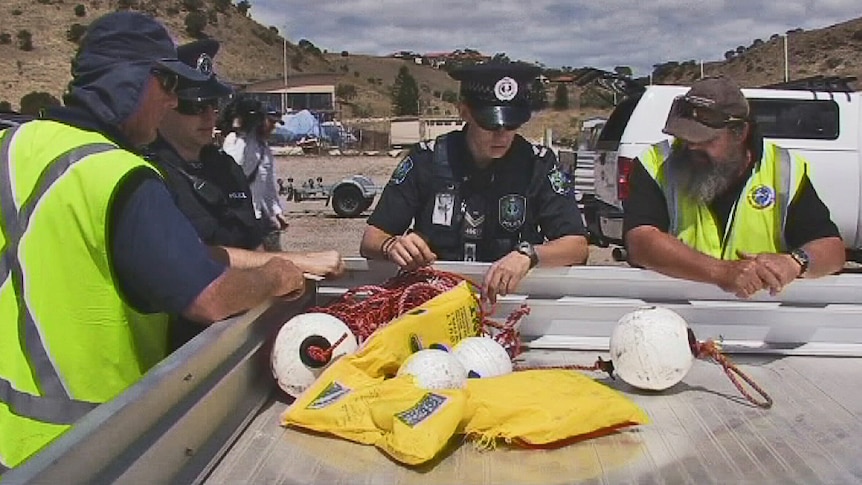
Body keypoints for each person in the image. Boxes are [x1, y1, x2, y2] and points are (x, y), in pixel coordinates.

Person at [0, 12, 306, 472]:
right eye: (165, 82)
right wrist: (275, 273)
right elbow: (211, 299)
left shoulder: (12, 143)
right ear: (130, 81)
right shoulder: (118, 175)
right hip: (84, 446)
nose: (171, 100)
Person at [147, 39, 345, 350]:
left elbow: (251, 240)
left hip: (244, 329)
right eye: (194, 106)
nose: (209, 116)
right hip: (186, 345)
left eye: (213, 105)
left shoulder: (224, 167)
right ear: (167, 105)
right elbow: (197, 255)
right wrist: (294, 261)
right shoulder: (149, 175)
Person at [360, 62, 589, 302]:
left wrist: (528, 255)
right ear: (464, 111)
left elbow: (576, 246)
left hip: (508, 300)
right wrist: (393, 246)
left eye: (511, 124)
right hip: (435, 300)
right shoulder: (426, 160)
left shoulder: (537, 164)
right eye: (490, 124)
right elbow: (371, 240)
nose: (501, 135)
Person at [623, 76, 845, 299]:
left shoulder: (783, 169)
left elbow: (832, 248)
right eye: (685, 137)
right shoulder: (655, 163)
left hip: (760, 317)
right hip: (674, 312)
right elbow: (641, 242)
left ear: (739, 133)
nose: (691, 146)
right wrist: (722, 272)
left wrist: (795, 262)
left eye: (706, 139)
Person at [221, 97, 288, 249]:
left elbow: (268, 185)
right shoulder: (236, 141)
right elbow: (230, 173)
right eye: (270, 122)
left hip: (258, 214)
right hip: (239, 216)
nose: (273, 127)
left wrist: (276, 211)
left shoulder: (264, 148)